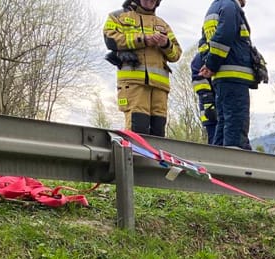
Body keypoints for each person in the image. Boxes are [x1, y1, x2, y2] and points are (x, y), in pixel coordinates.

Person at [103, 0, 182, 136]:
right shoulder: (117, 17)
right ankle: (133, 157)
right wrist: (143, 39)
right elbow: (110, 39)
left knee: (158, 133)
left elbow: (176, 54)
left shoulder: (162, 25)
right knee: (137, 130)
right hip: (133, 85)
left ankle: (154, 159)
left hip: (160, 88)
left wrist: (166, 44)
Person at [198, 0, 256, 149]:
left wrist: (209, 63)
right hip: (235, 78)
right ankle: (235, 166)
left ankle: (217, 166)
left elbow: (204, 43)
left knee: (223, 126)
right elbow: (224, 36)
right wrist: (211, 64)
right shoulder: (230, 6)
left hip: (221, 79)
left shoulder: (213, 8)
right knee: (236, 129)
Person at [190, 51, 217, 144]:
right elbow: (198, 81)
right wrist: (210, 105)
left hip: (216, 110)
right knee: (215, 141)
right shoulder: (200, 58)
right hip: (210, 111)